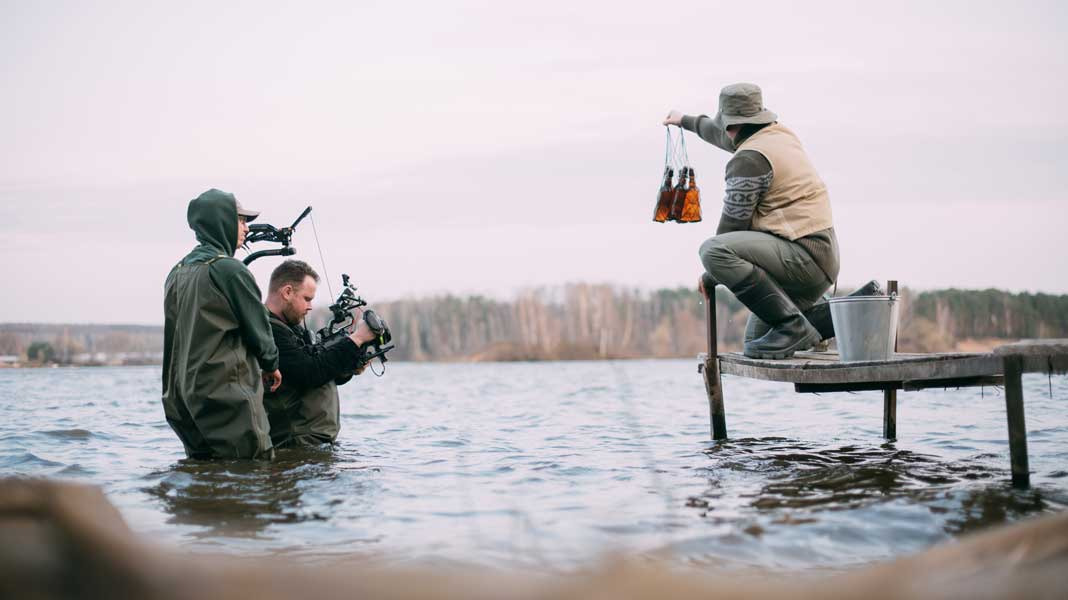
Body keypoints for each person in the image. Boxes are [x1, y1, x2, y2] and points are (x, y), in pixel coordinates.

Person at [664, 83, 840, 359]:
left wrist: (711, 275)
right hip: (820, 258)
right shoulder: (778, 135)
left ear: (730, 124)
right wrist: (683, 120)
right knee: (757, 341)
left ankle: (792, 326)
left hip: (803, 259)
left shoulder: (749, 160)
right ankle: (838, 315)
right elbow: (718, 133)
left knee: (713, 249)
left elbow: (732, 229)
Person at [162, 189, 282, 459]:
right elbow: (259, 328)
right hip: (227, 396)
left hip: (181, 397)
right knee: (253, 472)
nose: (246, 228)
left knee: (204, 478)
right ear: (221, 222)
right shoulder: (230, 270)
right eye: (240, 220)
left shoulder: (176, 272)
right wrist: (272, 365)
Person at [262, 260, 377, 448]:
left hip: (310, 442)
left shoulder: (290, 328)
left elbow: (319, 368)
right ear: (287, 292)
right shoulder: (268, 330)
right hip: (293, 443)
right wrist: (356, 339)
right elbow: (309, 372)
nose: (310, 306)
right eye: (307, 299)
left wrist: (348, 368)